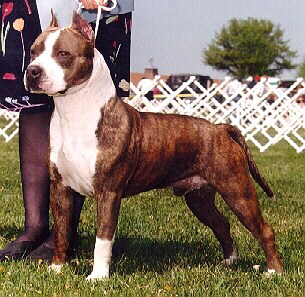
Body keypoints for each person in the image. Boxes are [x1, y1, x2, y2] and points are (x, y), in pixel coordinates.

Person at [0, 0, 134, 261]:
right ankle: (34, 227)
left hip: (97, 9)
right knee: (34, 100)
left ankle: (61, 238)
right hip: (33, 6)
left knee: (90, 99)